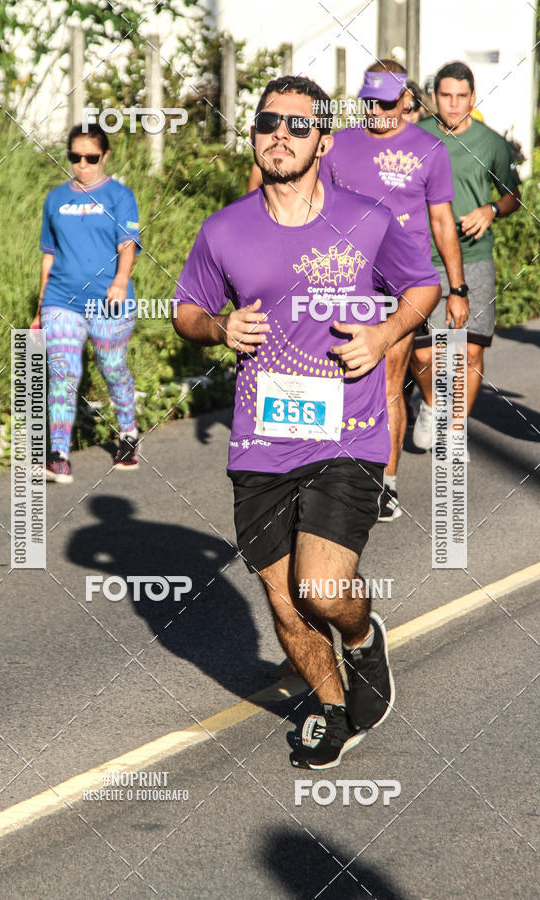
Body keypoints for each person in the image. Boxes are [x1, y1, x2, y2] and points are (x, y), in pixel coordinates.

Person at [173, 75, 440, 769]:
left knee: (322, 588)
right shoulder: (224, 229)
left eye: (297, 125)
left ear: (324, 138)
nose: (280, 135)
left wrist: (384, 338)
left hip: (346, 430)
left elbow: (422, 286)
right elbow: (187, 310)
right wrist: (219, 326)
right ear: (254, 135)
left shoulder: (366, 218)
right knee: (286, 604)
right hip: (262, 439)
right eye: (267, 123)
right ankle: (329, 706)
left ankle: (359, 638)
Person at [246, 61, 464, 521]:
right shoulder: (334, 141)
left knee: (387, 379)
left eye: (386, 102)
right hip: (338, 276)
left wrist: (456, 286)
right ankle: (317, 465)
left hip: (400, 281)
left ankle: (384, 482)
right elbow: (280, 187)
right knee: (328, 375)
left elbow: (442, 220)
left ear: (407, 100)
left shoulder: (429, 149)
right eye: (369, 101)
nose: (377, 110)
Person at [412, 61, 521, 450]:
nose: (454, 104)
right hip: (420, 258)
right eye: (446, 96)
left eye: (461, 97)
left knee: (471, 348)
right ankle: (429, 402)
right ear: (434, 97)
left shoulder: (493, 144)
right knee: (422, 354)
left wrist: (490, 210)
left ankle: (454, 430)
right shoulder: (414, 137)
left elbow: (514, 196)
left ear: (472, 98)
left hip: (473, 256)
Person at [33, 123, 142, 483]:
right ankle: (59, 454)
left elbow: (128, 244)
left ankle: (128, 431)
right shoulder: (54, 199)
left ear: (105, 156)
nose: (82, 164)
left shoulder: (119, 196)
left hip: (108, 300)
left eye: (90, 157)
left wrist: (121, 280)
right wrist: (39, 308)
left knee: (112, 367)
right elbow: (48, 256)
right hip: (61, 298)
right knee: (63, 373)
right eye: (74, 157)